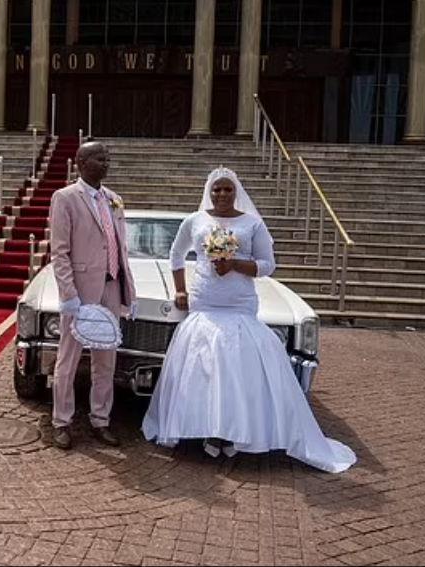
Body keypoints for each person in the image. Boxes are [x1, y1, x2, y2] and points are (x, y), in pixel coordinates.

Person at [141, 166, 356, 474]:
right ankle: (209, 428)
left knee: (235, 370)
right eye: (217, 189)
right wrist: (180, 290)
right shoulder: (195, 220)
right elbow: (176, 256)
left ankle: (234, 431)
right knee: (205, 369)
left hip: (239, 304)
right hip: (205, 303)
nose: (222, 194)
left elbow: (268, 265)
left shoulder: (252, 223)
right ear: (209, 192)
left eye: (227, 189)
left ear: (236, 191)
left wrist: (235, 265)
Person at [48, 141, 137, 450]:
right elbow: (59, 252)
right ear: (81, 162)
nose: (106, 163)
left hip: (111, 287)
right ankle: (62, 421)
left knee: (106, 360)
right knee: (68, 359)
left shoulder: (114, 199)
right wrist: (68, 294)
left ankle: (101, 419)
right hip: (81, 290)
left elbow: (121, 248)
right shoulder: (65, 198)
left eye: (108, 158)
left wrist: (129, 291)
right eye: (100, 158)